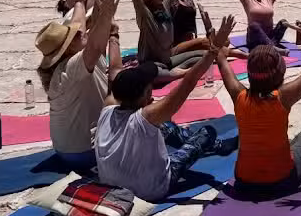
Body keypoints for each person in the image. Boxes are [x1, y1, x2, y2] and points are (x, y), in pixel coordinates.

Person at [94, 17, 237, 201]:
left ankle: (216, 146)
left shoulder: (108, 107)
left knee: (165, 126)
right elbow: (188, 83)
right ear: (143, 95)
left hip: (110, 184)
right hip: (149, 190)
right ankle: (215, 145)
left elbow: (114, 71)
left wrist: (113, 35)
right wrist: (213, 50)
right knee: (206, 133)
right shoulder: (147, 116)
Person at [215, 12, 301, 192]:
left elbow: (221, 62)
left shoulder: (239, 95)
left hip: (243, 182)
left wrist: (219, 45)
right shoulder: (283, 97)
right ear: (279, 73)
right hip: (281, 181)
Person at [35, 0, 121, 170]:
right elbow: (94, 44)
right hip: (83, 153)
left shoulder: (70, 59)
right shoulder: (71, 68)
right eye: (75, 36)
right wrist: (107, 18)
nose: (81, 33)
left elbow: (79, 24)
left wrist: (81, 1)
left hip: (67, 149)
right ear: (67, 49)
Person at [107, 0, 206, 80]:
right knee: (152, 74)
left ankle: (178, 72)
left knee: (205, 56)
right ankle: (179, 73)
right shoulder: (145, 14)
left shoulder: (164, 5)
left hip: (168, 59)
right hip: (152, 65)